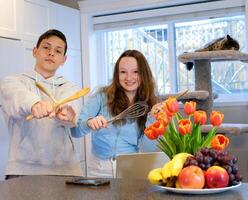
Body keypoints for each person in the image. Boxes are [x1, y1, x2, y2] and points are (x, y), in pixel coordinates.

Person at [0, 29, 83, 179]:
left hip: (65, 171)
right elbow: (18, 95)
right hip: (22, 171)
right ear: (35, 51)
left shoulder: (70, 87)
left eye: (58, 51)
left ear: (63, 60)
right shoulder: (12, 82)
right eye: (46, 47)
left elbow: (72, 106)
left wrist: (68, 113)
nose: (51, 53)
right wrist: (34, 103)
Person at [71, 49, 158, 178]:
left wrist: (152, 120)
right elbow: (75, 131)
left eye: (135, 72)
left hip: (130, 170)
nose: (128, 78)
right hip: (98, 170)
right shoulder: (101, 97)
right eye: (123, 72)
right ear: (117, 74)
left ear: (144, 74)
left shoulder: (149, 106)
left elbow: (149, 150)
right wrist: (89, 123)